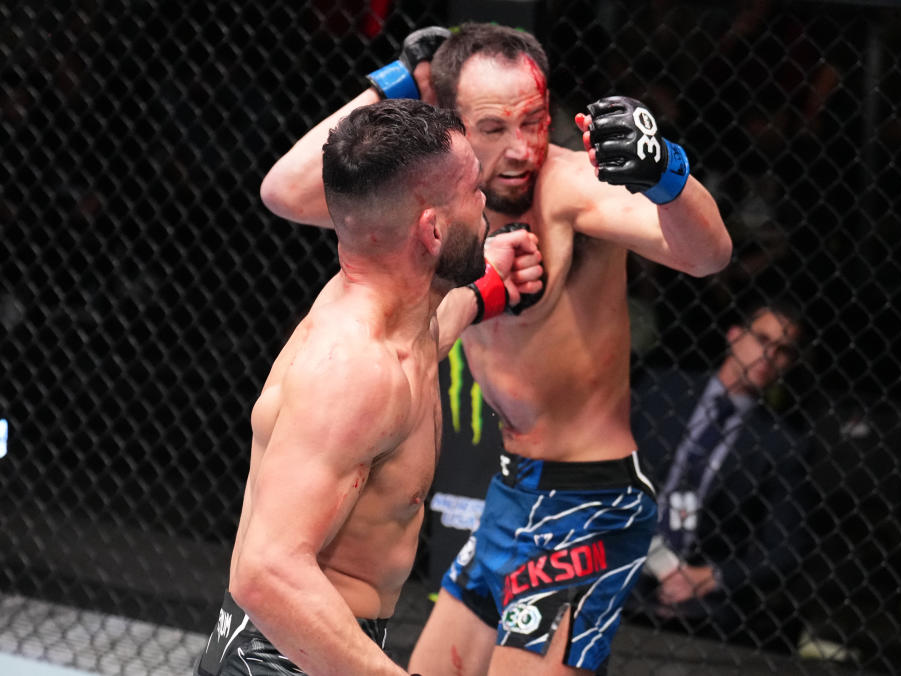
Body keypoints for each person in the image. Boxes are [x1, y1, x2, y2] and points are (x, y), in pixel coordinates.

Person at [259, 22, 730, 675]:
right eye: (492, 129)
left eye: (534, 121)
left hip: (588, 498)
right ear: (449, 126)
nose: (520, 149)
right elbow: (285, 191)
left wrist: (666, 175)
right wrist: (399, 81)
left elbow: (707, 255)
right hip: (512, 488)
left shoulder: (568, 186)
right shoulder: (438, 208)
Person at [194, 98, 542, 676]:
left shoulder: (398, 310)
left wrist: (489, 288)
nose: (486, 206)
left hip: (317, 647)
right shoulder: (353, 371)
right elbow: (266, 573)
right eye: (473, 192)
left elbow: (427, 336)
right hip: (280, 660)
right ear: (432, 229)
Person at [627, 302, 814, 652]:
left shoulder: (782, 443)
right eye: (762, 339)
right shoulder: (661, 390)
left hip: (696, 590)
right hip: (620, 550)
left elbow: (786, 547)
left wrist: (710, 577)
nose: (769, 355)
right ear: (734, 335)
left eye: (783, 350)